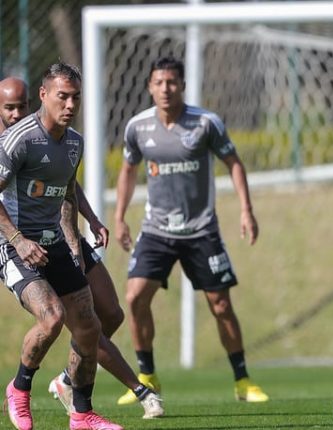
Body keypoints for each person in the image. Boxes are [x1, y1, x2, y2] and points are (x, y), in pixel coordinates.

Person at [0, 76, 164, 419]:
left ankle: (80, 409)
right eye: (64, 97)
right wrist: (18, 239)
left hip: (56, 236)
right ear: (45, 96)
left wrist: (83, 232)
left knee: (98, 320)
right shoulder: (15, 141)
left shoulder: (73, 142)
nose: (71, 105)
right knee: (54, 318)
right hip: (15, 242)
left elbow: (66, 189)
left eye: (76, 97)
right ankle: (21, 387)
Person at [114, 55, 268, 404]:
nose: (165, 89)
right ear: (150, 87)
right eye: (159, 83)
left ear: (182, 85)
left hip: (201, 230)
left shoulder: (205, 123)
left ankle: (242, 381)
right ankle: (146, 375)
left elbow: (234, 163)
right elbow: (127, 170)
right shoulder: (138, 127)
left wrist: (246, 210)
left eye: (172, 82)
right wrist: (120, 216)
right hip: (156, 230)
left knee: (221, 305)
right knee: (135, 297)